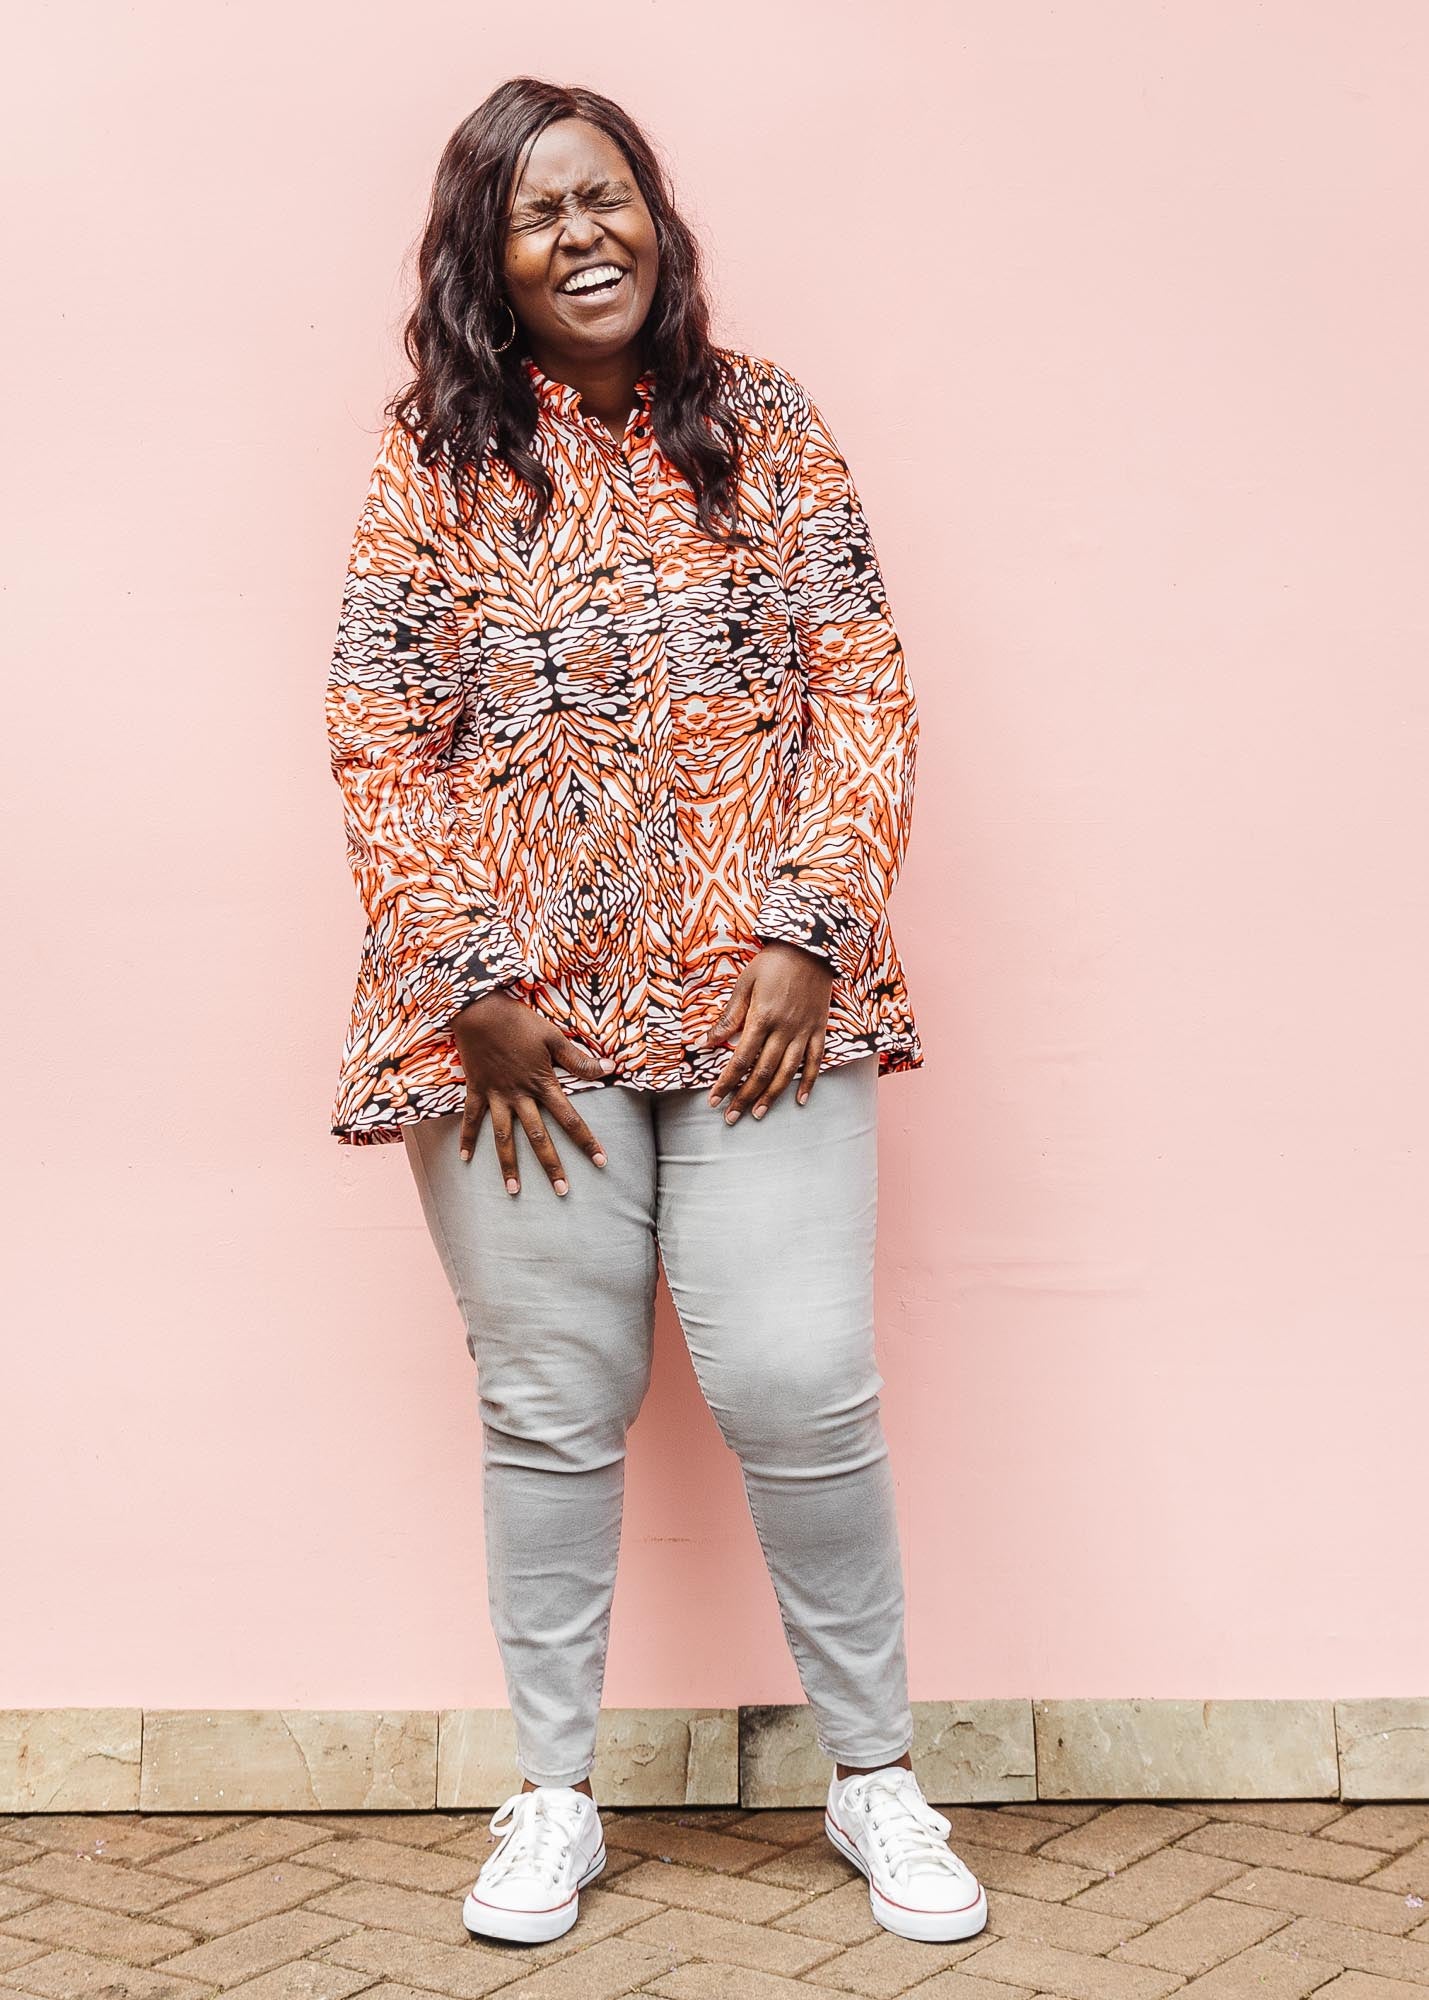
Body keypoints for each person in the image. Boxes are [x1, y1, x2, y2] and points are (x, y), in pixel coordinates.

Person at [323, 75, 987, 1952]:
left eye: (604, 197)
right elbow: (379, 731)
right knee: (552, 1413)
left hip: (763, 1009)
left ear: (656, 216)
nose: (581, 236)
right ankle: (553, 1797)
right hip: (511, 1036)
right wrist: (475, 986)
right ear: (487, 261)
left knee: (797, 1385)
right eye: (536, 217)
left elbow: (864, 684)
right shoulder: (432, 458)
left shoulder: (763, 422)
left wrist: (807, 927)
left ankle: (875, 1781)